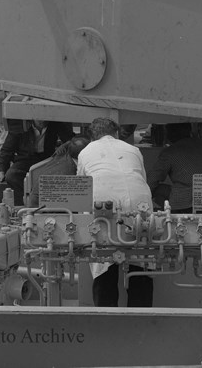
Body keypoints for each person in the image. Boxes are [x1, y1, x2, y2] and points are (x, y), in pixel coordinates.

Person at [76, 117, 154, 307]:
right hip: (139, 202)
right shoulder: (133, 150)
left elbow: (81, 188)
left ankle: (106, 317)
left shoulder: (85, 152)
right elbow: (142, 177)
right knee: (141, 260)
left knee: (103, 261)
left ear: (92, 136)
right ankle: (141, 316)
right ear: (117, 133)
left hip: (103, 203)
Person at [0, 119, 75, 206]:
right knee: (11, 176)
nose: (41, 121)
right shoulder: (20, 127)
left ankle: (46, 202)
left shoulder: (55, 124)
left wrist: (64, 146)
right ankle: (24, 203)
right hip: (25, 159)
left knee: (57, 176)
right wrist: (2, 171)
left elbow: (70, 139)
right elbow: (7, 150)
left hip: (46, 159)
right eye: (38, 118)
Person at [146, 123, 202, 213]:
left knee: (158, 189)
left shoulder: (169, 152)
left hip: (184, 204)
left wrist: (142, 199)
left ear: (168, 134)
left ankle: (166, 214)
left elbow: (153, 178)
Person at [27, 134, 91, 207]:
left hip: (39, 207)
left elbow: (72, 143)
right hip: (45, 212)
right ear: (83, 154)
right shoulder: (69, 174)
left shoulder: (64, 156)